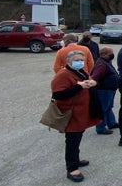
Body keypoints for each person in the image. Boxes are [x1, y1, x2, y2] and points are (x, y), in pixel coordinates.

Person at [51, 50, 101, 182]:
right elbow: (58, 95)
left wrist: (92, 83)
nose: (80, 62)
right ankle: (72, 169)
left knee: (78, 137)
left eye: (82, 60)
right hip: (71, 114)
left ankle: (76, 158)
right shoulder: (63, 74)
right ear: (68, 61)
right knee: (72, 140)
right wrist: (79, 87)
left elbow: (88, 81)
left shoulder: (81, 71)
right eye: (77, 60)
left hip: (81, 113)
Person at [91, 47, 119, 135]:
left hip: (110, 89)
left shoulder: (106, 62)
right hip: (104, 90)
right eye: (110, 53)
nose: (112, 55)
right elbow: (95, 77)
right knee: (103, 109)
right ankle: (100, 127)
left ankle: (111, 123)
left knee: (108, 107)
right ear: (103, 55)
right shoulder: (101, 65)